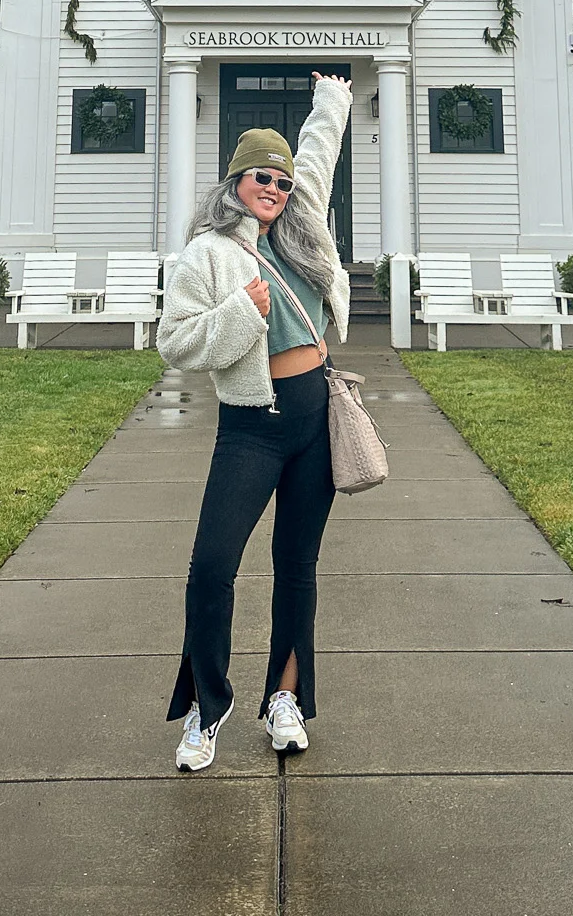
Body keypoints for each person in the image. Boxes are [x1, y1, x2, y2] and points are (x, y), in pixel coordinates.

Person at [157, 70, 353, 771]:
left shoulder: (305, 228)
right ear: (235, 182)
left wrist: (331, 101)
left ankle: (286, 700)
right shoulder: (206, 253)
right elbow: (174, 341)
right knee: (211, 568)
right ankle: (208, 710)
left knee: (296, 568)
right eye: (259, 177)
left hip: (315, 418)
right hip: (250, 425)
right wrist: (243, 312)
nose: (272, 187)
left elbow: (320, 152)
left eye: (281, 179)